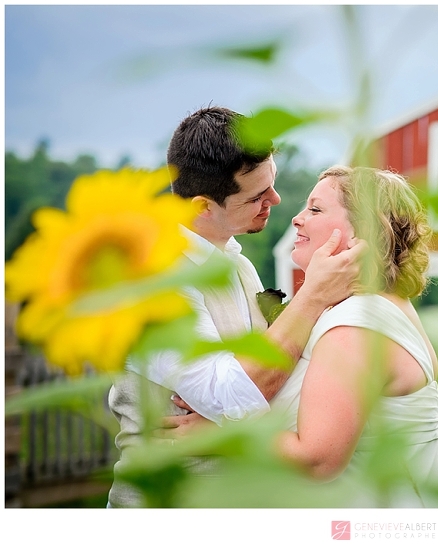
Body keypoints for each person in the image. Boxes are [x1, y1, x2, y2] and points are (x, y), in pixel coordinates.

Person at [107, 107, 363, 508]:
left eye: (272, 184)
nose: (276, 201)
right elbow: (234, 395)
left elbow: (270, 381)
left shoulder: (238, 266)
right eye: (257, 196)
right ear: (201, 207)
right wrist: (313, 296)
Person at [167, 165, 438, 507]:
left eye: (315, 209)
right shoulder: (387, 305)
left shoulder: (356, 326)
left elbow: (318, 460)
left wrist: (223, 432)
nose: (296, 218)